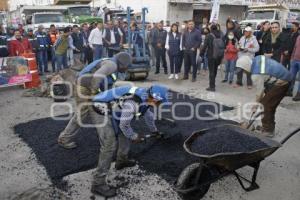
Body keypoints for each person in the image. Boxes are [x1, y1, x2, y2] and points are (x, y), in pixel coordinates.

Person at [91, 84, 169, 197]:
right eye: (159, 102)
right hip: (100, 108)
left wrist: (155, 132)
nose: (159, 105)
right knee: (109, 145)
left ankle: (121, 161)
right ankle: (98, 184)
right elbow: (124, 124)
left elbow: (148, 116)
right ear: (154, 98)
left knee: (124, 134)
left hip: (114, 109)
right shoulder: (133, 103)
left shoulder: (146, 99)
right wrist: (134, 136)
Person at [57, 52, 132, 149]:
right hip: (84, 88)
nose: (127, 69)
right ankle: (64, 139)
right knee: (82, 114)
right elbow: (98, 75)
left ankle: (108, 137)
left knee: (101, 111)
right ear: (122, 64)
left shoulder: (112, 64)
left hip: (89, 87)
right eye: (126, 67)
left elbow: (107, 83)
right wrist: (94, 95)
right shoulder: (112, 65)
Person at [236, 55, 292, 137]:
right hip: (282, 77)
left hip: (282, 82)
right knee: (269, 104)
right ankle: (268, 127)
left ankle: (268, 130)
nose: (244, 72)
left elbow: (260, 92)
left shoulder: (256, 75)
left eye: (244, 70)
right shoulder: (257, 59)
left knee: (265, 105)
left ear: (246, 66)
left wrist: (255, 105)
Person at [200, 24, 223, 91]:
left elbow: (204, 46)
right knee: (215, 70)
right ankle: (213, 83)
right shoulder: (220, 34)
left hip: (211, 56)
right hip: (218, 55)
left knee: (211, 71)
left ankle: (212, 86)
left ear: (211, 29)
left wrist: (201, 54)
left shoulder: (209, 35)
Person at [290, 34, 300, 101]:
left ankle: (298, 94)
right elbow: (295, 47)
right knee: (291, 76)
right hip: (295, 60)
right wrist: (292, 57)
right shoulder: (298, 36)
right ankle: (289, 90)